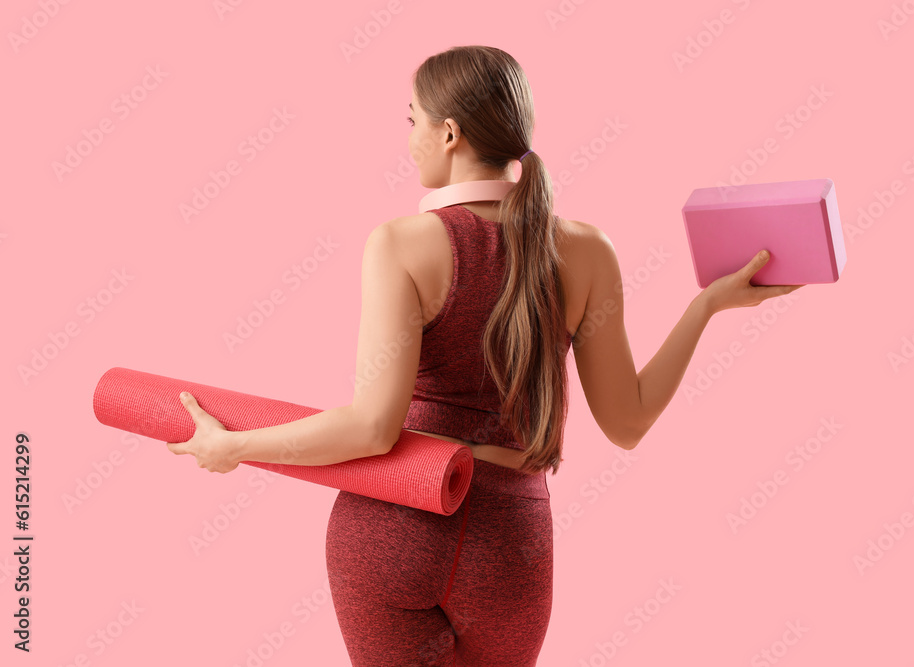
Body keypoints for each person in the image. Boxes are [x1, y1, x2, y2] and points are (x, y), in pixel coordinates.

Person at [169, 44, 803, 666]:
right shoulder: (587, 250)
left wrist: (233, 447)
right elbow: (627, 423)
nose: (409, 137)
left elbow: (371, 427)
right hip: (511, 544)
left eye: (412, 119)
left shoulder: (402, 243)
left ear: (449, 132)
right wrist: (705, 309)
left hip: (394, 527)